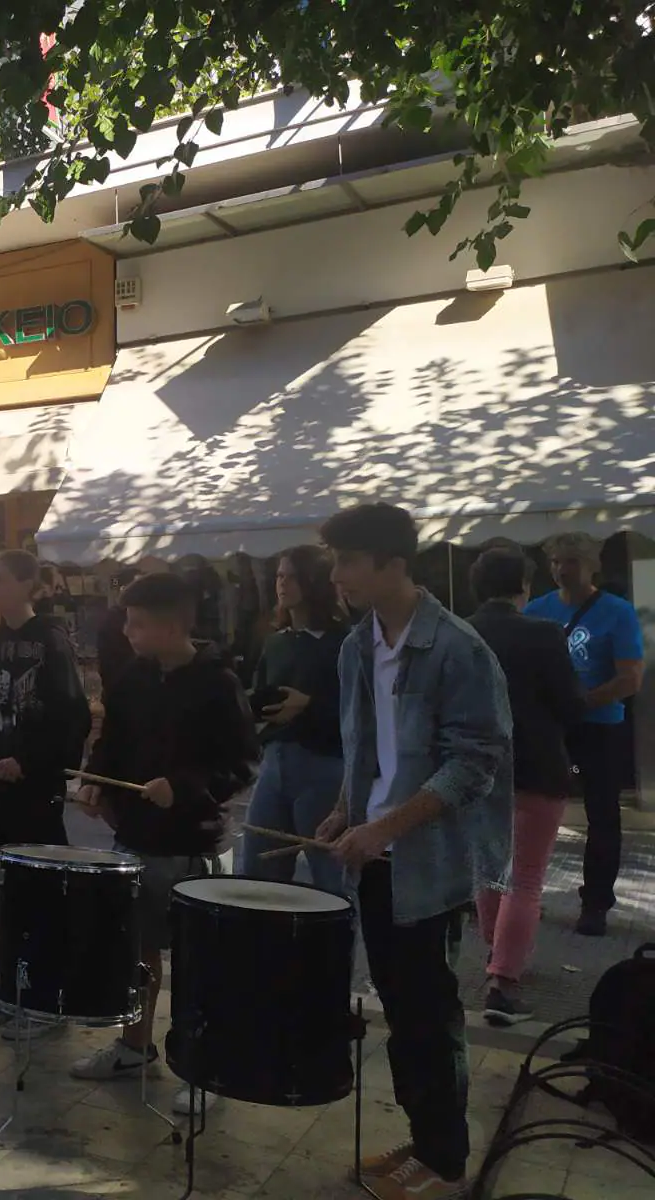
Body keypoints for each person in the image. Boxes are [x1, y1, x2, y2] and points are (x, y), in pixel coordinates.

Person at [316, 504, 511, 1200]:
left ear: (393, 564)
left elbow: (474, 764)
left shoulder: (458, 648)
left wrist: (387, 827)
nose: (336, 576)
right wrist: (346, 810)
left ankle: (445, 1160)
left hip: (426, 864)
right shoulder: (357, 645)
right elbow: (363, 747)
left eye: (347, 561)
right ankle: (425, 1141)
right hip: (376, 857)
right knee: (402, 1012)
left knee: (430, 1016)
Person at [69, 572, 257, 1106]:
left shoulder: (219, 683)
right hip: (135, 836)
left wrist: (184, 788)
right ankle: (134, 1046)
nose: (127, 633)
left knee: (198, 962)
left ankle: (203, 1066)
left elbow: (242, 764)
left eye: (137, 624)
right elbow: (111, 743)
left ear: (173, 627)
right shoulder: (133, 678)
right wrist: (96, 781)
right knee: (136, 951)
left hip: (193, 843)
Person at [0, 549, 91, 1029]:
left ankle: (47, 1001)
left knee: (41, 897)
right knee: (2, 894)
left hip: (35, 793)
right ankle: (9, 991)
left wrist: (28, 762)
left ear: (28, 585)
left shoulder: (51, 640)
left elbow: (72, 717)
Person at [468, 547, 585, 1025]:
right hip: (537, 767)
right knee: (526, 877)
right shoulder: (544, 633)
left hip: (477, 769)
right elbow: (571, 705)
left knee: (490, 870)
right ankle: (503, 982)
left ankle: (497, 951)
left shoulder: (460, 633)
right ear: (523, 586)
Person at [524, 533, 644, 937]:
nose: (562, 569)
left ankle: (595, 903)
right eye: (556, 561)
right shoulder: (536, 610)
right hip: (549, 728)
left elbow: (630, 678)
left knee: (602, 815)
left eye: (572, 561)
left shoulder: (617, 612)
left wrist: (581, 703)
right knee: (530, 810)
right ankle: (523, 895)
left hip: (600, 727)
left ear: (593, 565)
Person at [238, 546, 349, 893]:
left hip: (323, 764)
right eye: (279, 576)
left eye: (292, 576)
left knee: (331, 877)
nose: (282, 584)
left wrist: (310, 705)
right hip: (275, 761)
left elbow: (360, 710)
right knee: (257, 871)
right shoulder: (275, 642)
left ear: (314, 582)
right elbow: (261, 693)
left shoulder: (343, 643)